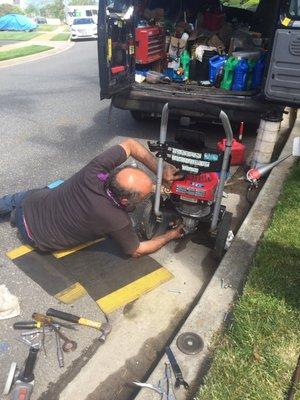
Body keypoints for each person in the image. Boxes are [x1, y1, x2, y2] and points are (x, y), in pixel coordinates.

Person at [0, 139, 183, 257]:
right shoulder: (117, 220)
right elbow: (137, 250)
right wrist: (170, 235)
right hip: (35, 237)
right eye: (146, 194)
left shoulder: (94, 171)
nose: (151, 190)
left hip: (29, 205)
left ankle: (8, 207)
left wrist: (159, 172)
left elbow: (129, 145)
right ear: (125, 201)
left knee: (57, 185)